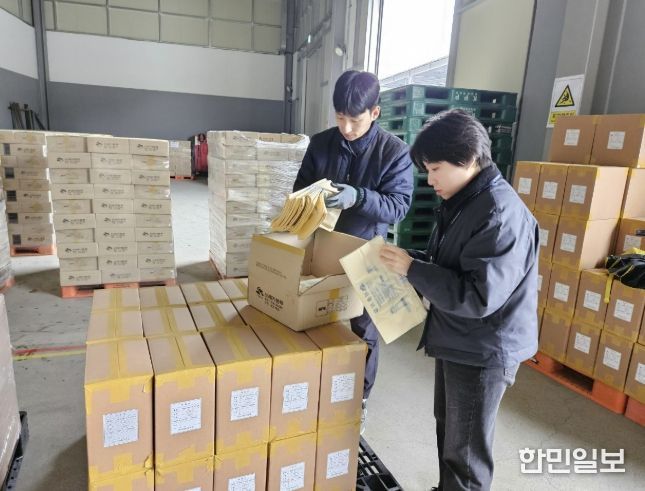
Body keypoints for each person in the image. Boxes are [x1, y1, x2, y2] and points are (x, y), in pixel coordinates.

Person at [379, 109, 539, 491]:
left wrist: (412, 270)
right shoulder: (466, 200)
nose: (430, 179)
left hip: (483, 348)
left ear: (467, 159)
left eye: (435, 169)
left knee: (465, 452)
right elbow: (451, 264)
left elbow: (478, 295)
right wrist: (410, 260)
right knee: (450, 430)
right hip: (460, 337)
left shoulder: (497, 213)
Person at [293, 70, 414, 432]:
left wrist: (359, 197)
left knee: (364, 330)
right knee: (314, 318)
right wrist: (309, 200)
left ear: (375, 113)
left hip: (366, 250)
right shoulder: (321, 144)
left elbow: (398, 206)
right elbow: (300, 188)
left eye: (355, 120)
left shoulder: (393, 152)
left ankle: (358, 400)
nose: (346, 128)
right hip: (322, 244)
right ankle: (311, 388)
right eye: (340, 117)